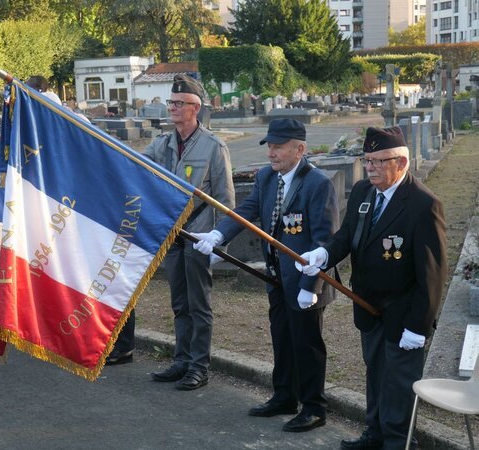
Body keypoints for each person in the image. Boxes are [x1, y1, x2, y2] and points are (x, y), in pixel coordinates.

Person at [296, 126, 447, 449]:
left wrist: (419, 326)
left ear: (401, 163)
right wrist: (323, 254)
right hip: (368, 307)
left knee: (400, 381)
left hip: (404, 313)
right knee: (375, 373)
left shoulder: (422, 205)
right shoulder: (365, 191)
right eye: (367, 161)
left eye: (379, 162)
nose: (371, 168)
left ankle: (398, 441)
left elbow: (432, 273)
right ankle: (375, 433)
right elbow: (347, 236)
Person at [193, 118, 339, 431]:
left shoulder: (317, 184)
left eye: (278, 147)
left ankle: (314, 406)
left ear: (299, 149)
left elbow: (324, 239)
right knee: (282, 338)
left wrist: (310, 284)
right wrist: (219, 235)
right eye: (269, 146)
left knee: (307, 343)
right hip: (276, 278)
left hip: (305, 282)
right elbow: (246, 211)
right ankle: (284, 395)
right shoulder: (266, 177)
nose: (271, 152)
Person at [132, 74, 235, 388]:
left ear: (195, 108)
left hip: (199, 234)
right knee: (179, 302)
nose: (173, 108)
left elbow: (226, 200)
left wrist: (219, 246)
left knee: (198, 304)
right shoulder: (161, 143)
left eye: (179, 103)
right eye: (171, 102)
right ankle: (181, 360)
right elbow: (137, 169)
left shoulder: (214, 146)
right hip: (171, 235)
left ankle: (198, 366)